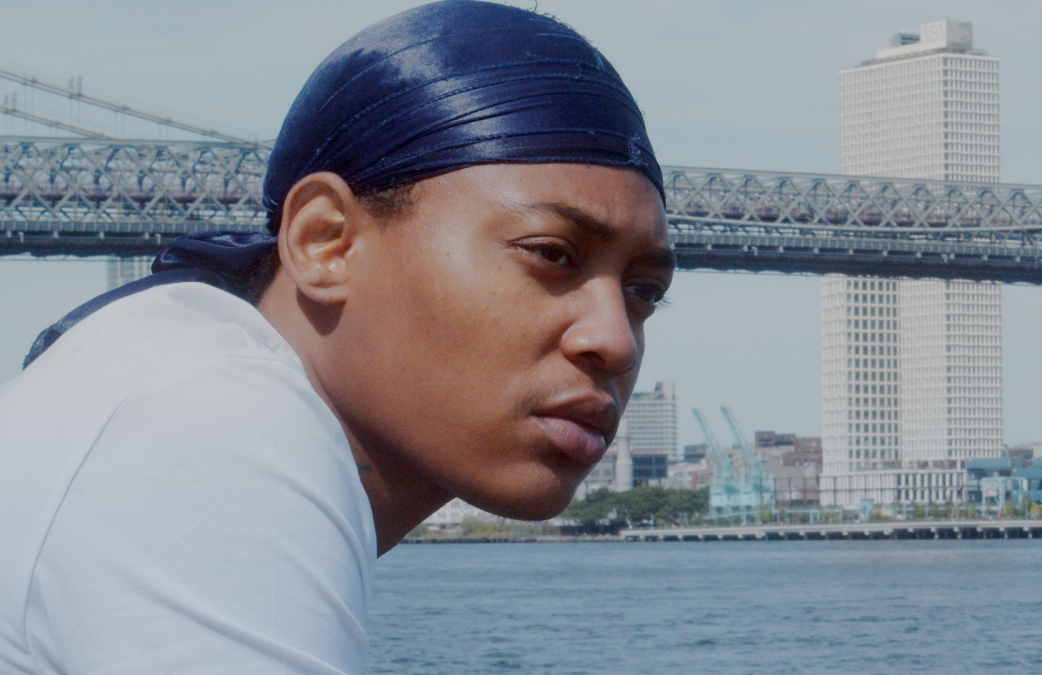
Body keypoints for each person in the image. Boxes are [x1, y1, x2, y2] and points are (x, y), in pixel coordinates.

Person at [0, 1, 674, 673]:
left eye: (644, 291)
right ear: (325, 242)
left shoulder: (168, 369)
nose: (615, 340)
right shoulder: (212, 423)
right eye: (552, 253)